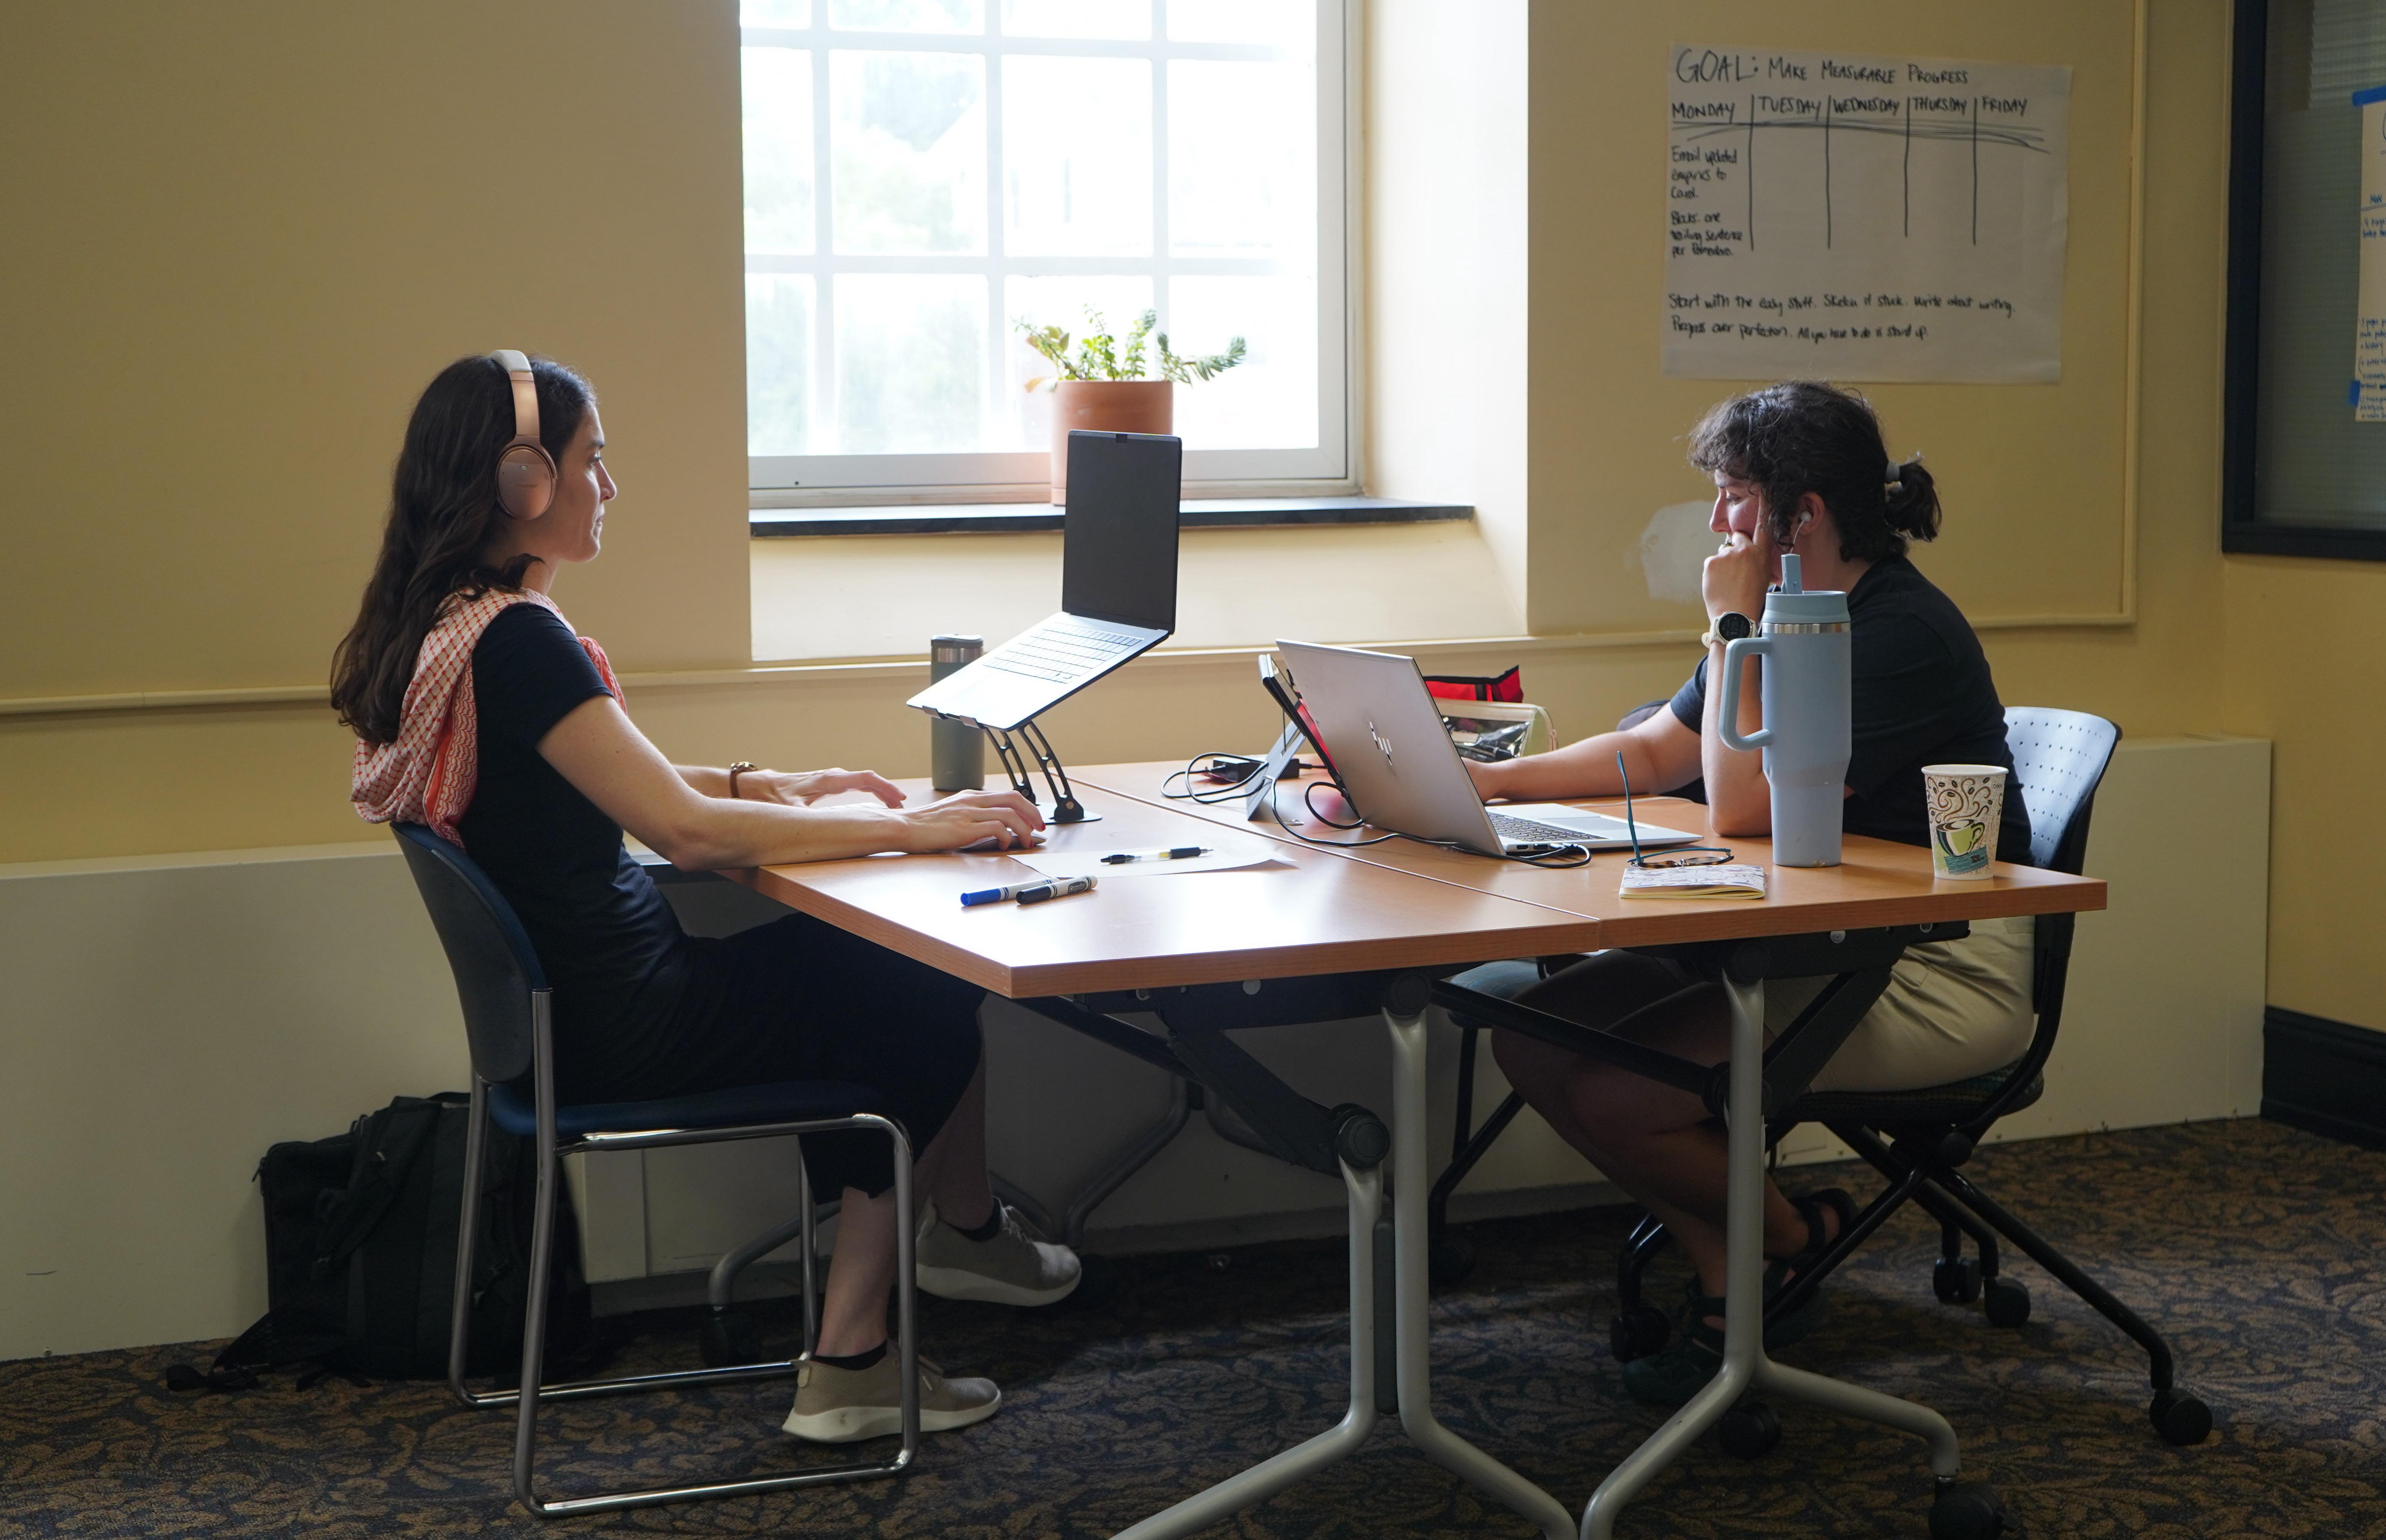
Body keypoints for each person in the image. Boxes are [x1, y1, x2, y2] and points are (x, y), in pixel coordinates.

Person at [332, 352, 1075, 1445]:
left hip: (561, 1029)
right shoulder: (520, 641)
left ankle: (965, 1237)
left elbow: (610, 787)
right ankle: (853, 1361)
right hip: (631, 1025)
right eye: (594, 462)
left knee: (887, 983)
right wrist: (908, 828)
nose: (609, 486)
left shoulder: (438, 629)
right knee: (921, 994)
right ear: (521, 482)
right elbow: (678, 832)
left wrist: (771, 786)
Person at [1461, 380, 2035, 1405]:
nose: (1720, 523)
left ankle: (1778, 1249)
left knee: (1620, 1095)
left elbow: (1741, 806)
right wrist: (1492, 781)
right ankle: (1764, 1262)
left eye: (1734, 496)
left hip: (1918, 963)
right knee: (1535, 1040)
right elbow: (1656, 747)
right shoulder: (1779, 612)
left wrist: (1731, 628)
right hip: (1801, 939)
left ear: (1802, 514)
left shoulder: (1896, 633)